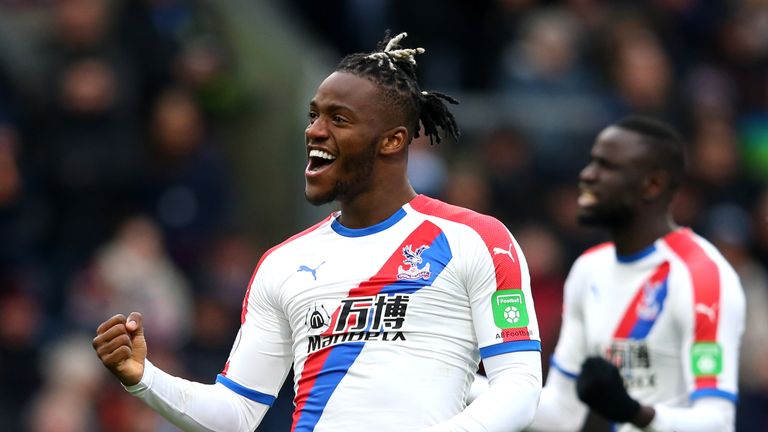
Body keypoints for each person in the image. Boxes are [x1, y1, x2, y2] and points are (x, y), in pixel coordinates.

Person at [92, 31, 543, 431]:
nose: (315, 132)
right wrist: (143, 377)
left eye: (338, 119)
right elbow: (237, 412)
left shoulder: (478, 240)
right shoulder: (283, 263)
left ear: (393, 140)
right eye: (313, 116)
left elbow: (519, 387)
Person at [527, 116, 746, 432]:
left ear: (652, 185)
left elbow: (717, 422)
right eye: (592, 162)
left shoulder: (701, 276)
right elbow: (563, 413)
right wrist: (461, 379)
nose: (587, 175)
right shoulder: (589, 269)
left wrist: (633, 411)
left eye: (607, 166)